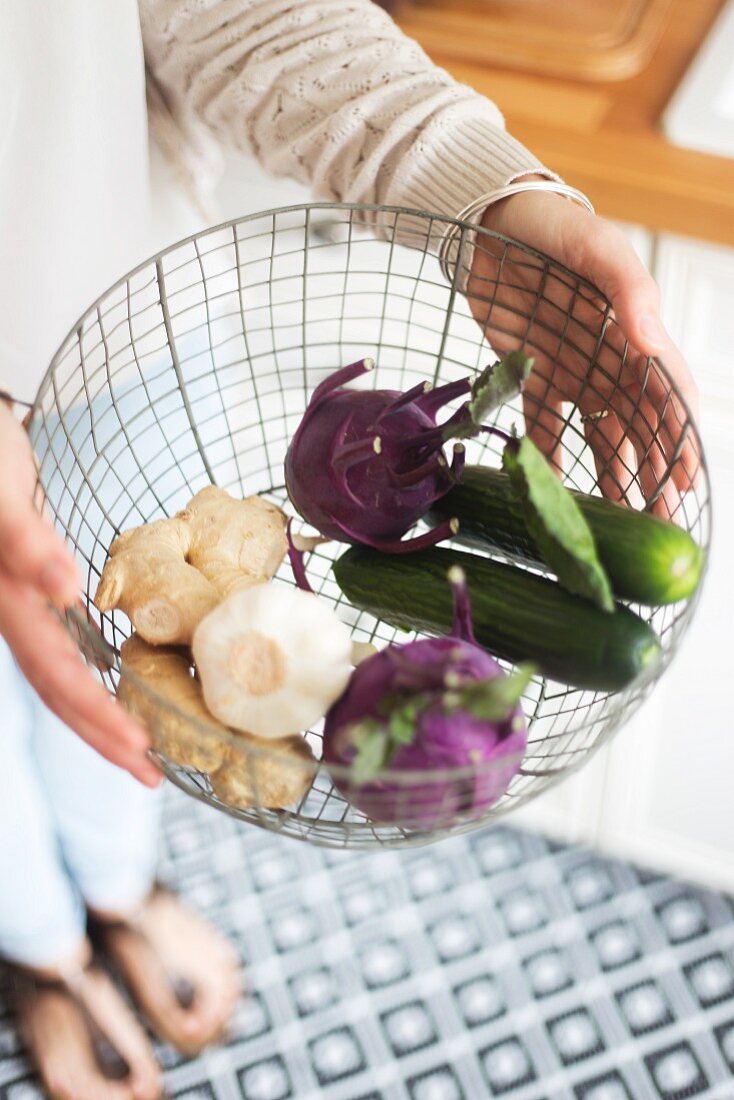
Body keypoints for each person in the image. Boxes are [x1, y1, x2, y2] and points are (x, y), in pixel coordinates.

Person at [0, 2, 697, 1097]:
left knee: (141, 694)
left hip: (106, 312)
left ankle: (117, 887)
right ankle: (40, 948)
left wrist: (483, 191)